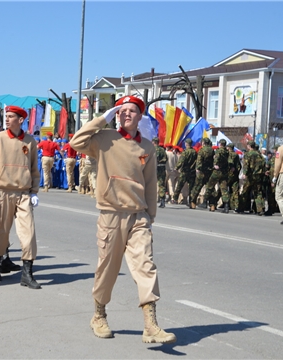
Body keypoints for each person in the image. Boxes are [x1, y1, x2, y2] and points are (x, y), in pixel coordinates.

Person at [70, 96, 176, 344]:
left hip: (138, 216)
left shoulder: (147, 148)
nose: (126, 114)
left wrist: (150, 215)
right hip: (111, 214)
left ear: (140, 117)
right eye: (122, 111)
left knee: (146, 266)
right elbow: (76, 142)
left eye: (132, 111)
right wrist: (103, 118)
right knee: (108, 268)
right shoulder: (105, 139)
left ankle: (151, 325)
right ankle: (99, 315)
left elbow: (150, 183)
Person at [0, 105, 41, 289]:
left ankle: (27, 273)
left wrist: (34, 191)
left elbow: (34, 167)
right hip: (3, 191)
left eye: (11, 116)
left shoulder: (30, 141)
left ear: (21, 120)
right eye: (6, 116)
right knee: (1, 231)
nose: (7, 119)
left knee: (29, 233)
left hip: (23, 193)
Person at [239, 141, 266, 215]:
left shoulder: (248, 154)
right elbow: (263, 164)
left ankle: (241, 208)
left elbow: (246, 165)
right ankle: (260, 209)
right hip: (258, 175)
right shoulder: (259, 154)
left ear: (249, 146)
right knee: (258, 192)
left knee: (245, 191)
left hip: (250, 176)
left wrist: (244, 173)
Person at [205, 139, 230, 212]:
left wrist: (215, 164)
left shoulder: (219, 151)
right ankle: (226, 206)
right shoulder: (227, 152)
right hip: (224, 172)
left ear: (220, 144)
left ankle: (206, 202)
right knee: (224, 189)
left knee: (210, 186)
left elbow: (217, 158)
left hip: (217, 172)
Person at [190, 138, 214, 209]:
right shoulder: (212, 150)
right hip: (209, 171)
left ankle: (193, 202)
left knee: (197, 186)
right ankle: (212, 204)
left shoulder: (202, 150)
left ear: (203, 143)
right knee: (210, 188)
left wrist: (198, 168)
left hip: (202, 171)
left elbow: (199, 160)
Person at [172, 139, 196, 205]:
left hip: (185, 171)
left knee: (179, 185)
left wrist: (176, 168)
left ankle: (175, 199)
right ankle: (191, 201)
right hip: (192, 172)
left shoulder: (185, 152)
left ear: (186, 144)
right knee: (191, 187)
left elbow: (181, 161)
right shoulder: (194, 152)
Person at [226, 143, 242, 212]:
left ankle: (225, 205)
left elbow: (229, 163)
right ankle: (236, 206)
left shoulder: (228, 154)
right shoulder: (236, 155)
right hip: (235, 175)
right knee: (235, 191)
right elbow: (239, 166)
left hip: (228, 175)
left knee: (225, 190)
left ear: (229, 148)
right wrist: (236, 172)